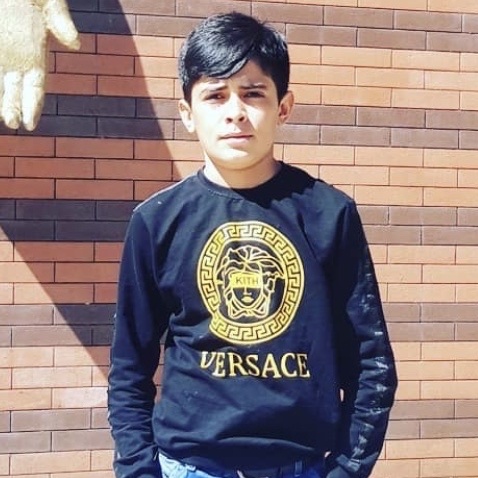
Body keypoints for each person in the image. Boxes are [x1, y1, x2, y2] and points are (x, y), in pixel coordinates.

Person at [107, 11, 398, 478]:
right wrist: (139, 469)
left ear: (283, 107)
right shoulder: (155, 222)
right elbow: (128, 368)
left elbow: (371, 363)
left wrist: (347, 469)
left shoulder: (330, 215)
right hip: (188, 465)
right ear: (187, 113)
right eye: (215, 95)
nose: (235, 111)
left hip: (301, 465)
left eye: (253, 93)